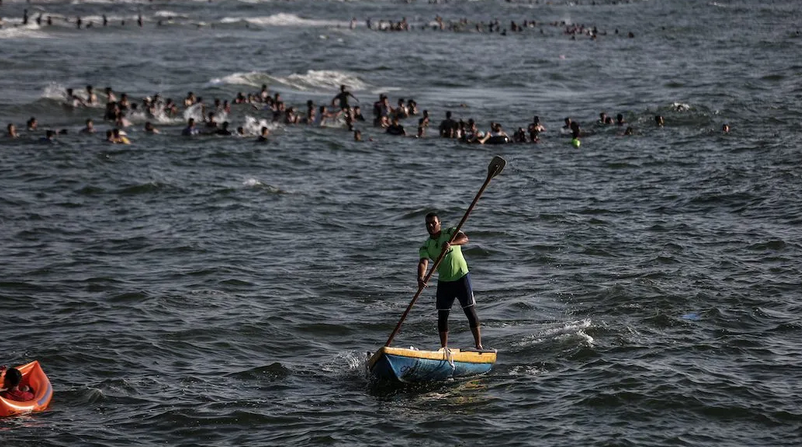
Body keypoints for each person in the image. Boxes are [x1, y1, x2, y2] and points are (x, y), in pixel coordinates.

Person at [417, 213, 483, 350]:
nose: (430, 226)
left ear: (439, 223)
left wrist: (451, 243)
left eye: (433, 223)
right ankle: (444, 348)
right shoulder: (426, 246)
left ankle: (478, 345)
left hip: (461, 277)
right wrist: (421, 278)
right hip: (444, 282)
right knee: (442, 316)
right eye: (427, 224)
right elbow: (424, 262)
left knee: (469, 311)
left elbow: (464, 239)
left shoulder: (450, 232)